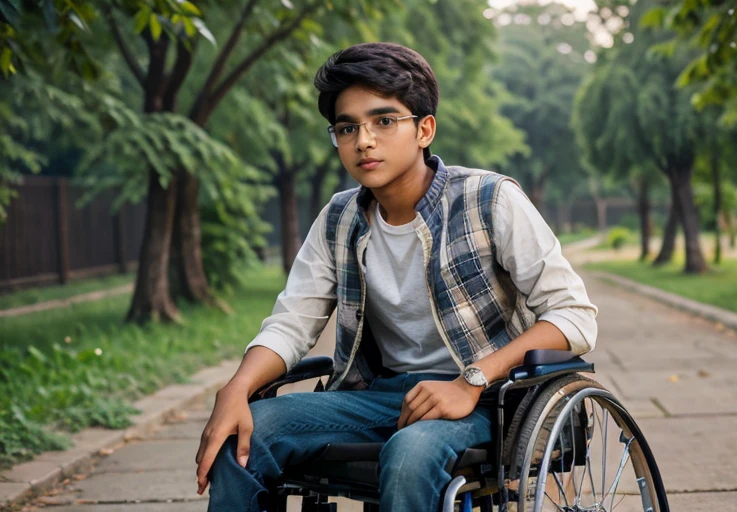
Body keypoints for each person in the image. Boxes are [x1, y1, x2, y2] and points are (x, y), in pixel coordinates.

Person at [195, 42, 598, 512]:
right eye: (347, 128)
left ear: (424, 129)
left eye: (383, 121)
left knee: (410, 454)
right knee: (244, 430)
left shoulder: (490, 200)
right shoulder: (339, 218)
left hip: (491, 400)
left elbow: (573, 316)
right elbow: (292, 322)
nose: (363, 140)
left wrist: (470, 380)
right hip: (381, 397)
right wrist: (237, 388)